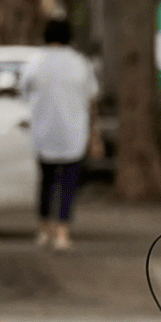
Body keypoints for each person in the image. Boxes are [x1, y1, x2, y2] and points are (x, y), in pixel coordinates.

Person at [22, 18, 98, 251]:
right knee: (68, 184)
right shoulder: (80, 63)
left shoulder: (35, 62)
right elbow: (92, 97)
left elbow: (23, 91)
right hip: (74, 132)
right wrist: (95, 135)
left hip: (43, 131)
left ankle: (44, 229)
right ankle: (62, 234)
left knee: (45, 182)